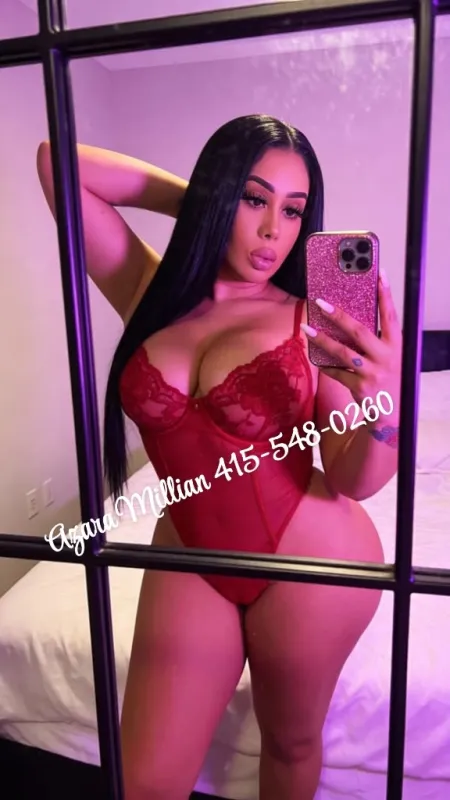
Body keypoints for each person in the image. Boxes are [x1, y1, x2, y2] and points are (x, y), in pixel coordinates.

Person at [37, 114, 402, 800]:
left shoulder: (316, 317)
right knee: (143, 783)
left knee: (290, 744)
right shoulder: (149, 290)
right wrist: (203, 201)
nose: (272, 231)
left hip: (309, 562)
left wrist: (384, 404)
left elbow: (355, 477)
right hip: (190, 552)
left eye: (293, 211)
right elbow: (58, 165)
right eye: (253, 198)